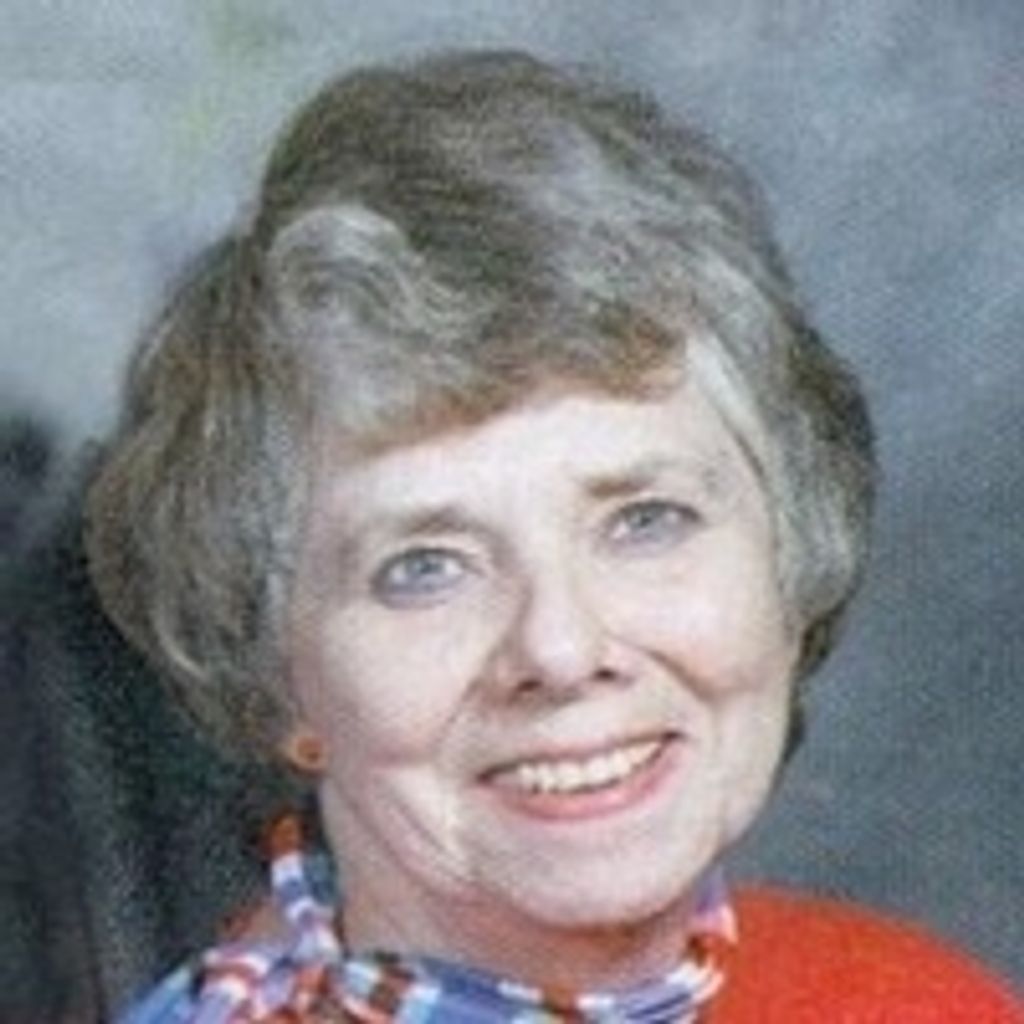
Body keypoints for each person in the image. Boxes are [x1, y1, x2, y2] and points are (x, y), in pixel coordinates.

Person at [86, 50, 1020, 1023]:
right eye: (425, 568)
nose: (563, 650)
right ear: (278, 674)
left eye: (645, 520)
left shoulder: (915, 1002)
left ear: (789, 552)